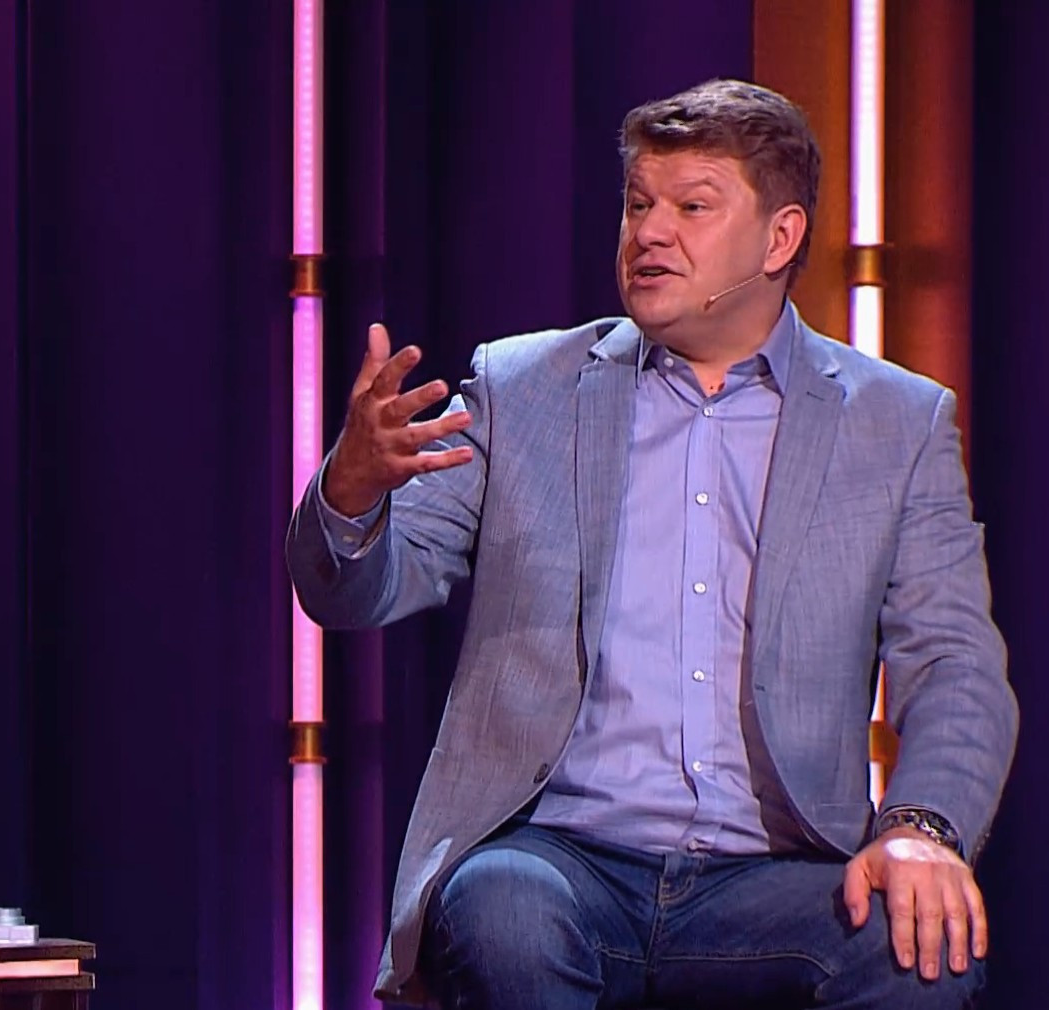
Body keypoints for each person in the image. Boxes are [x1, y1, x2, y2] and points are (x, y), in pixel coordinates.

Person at [288, 79, 1016, 1009]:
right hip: (559, 859)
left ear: (780, 238)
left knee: (921, 952)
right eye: (638, 205)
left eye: (691, 207)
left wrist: (919, 828)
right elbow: (355, 593)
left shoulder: (897, 424)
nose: (649, 234)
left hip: (777, 878)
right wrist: (351, 493)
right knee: (502, 915)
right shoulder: (522, 388)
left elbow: (954, 665)